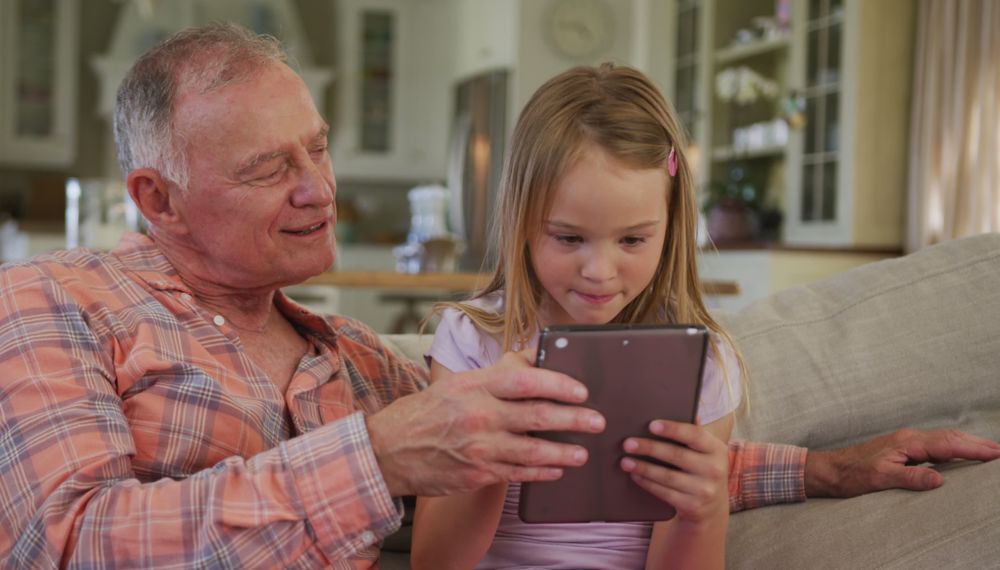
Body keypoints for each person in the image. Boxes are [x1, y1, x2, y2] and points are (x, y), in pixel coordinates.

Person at [0, 23, 997, 569]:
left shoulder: (353, 360)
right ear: (156, 196)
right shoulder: (45, 301)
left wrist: (818, 465)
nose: (323, 193)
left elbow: (589, 443)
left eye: (322, 150)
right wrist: (379, 459)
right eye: (268, 170)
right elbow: (56, 546)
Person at [408, 63, 1000, 569]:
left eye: (633, 241)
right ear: (521, 220)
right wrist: (488, 452)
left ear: (671, 227)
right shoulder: (473, 341)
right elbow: (434, 561)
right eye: (568, 239)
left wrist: (704, 505)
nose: (600, 271)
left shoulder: (703, 363)